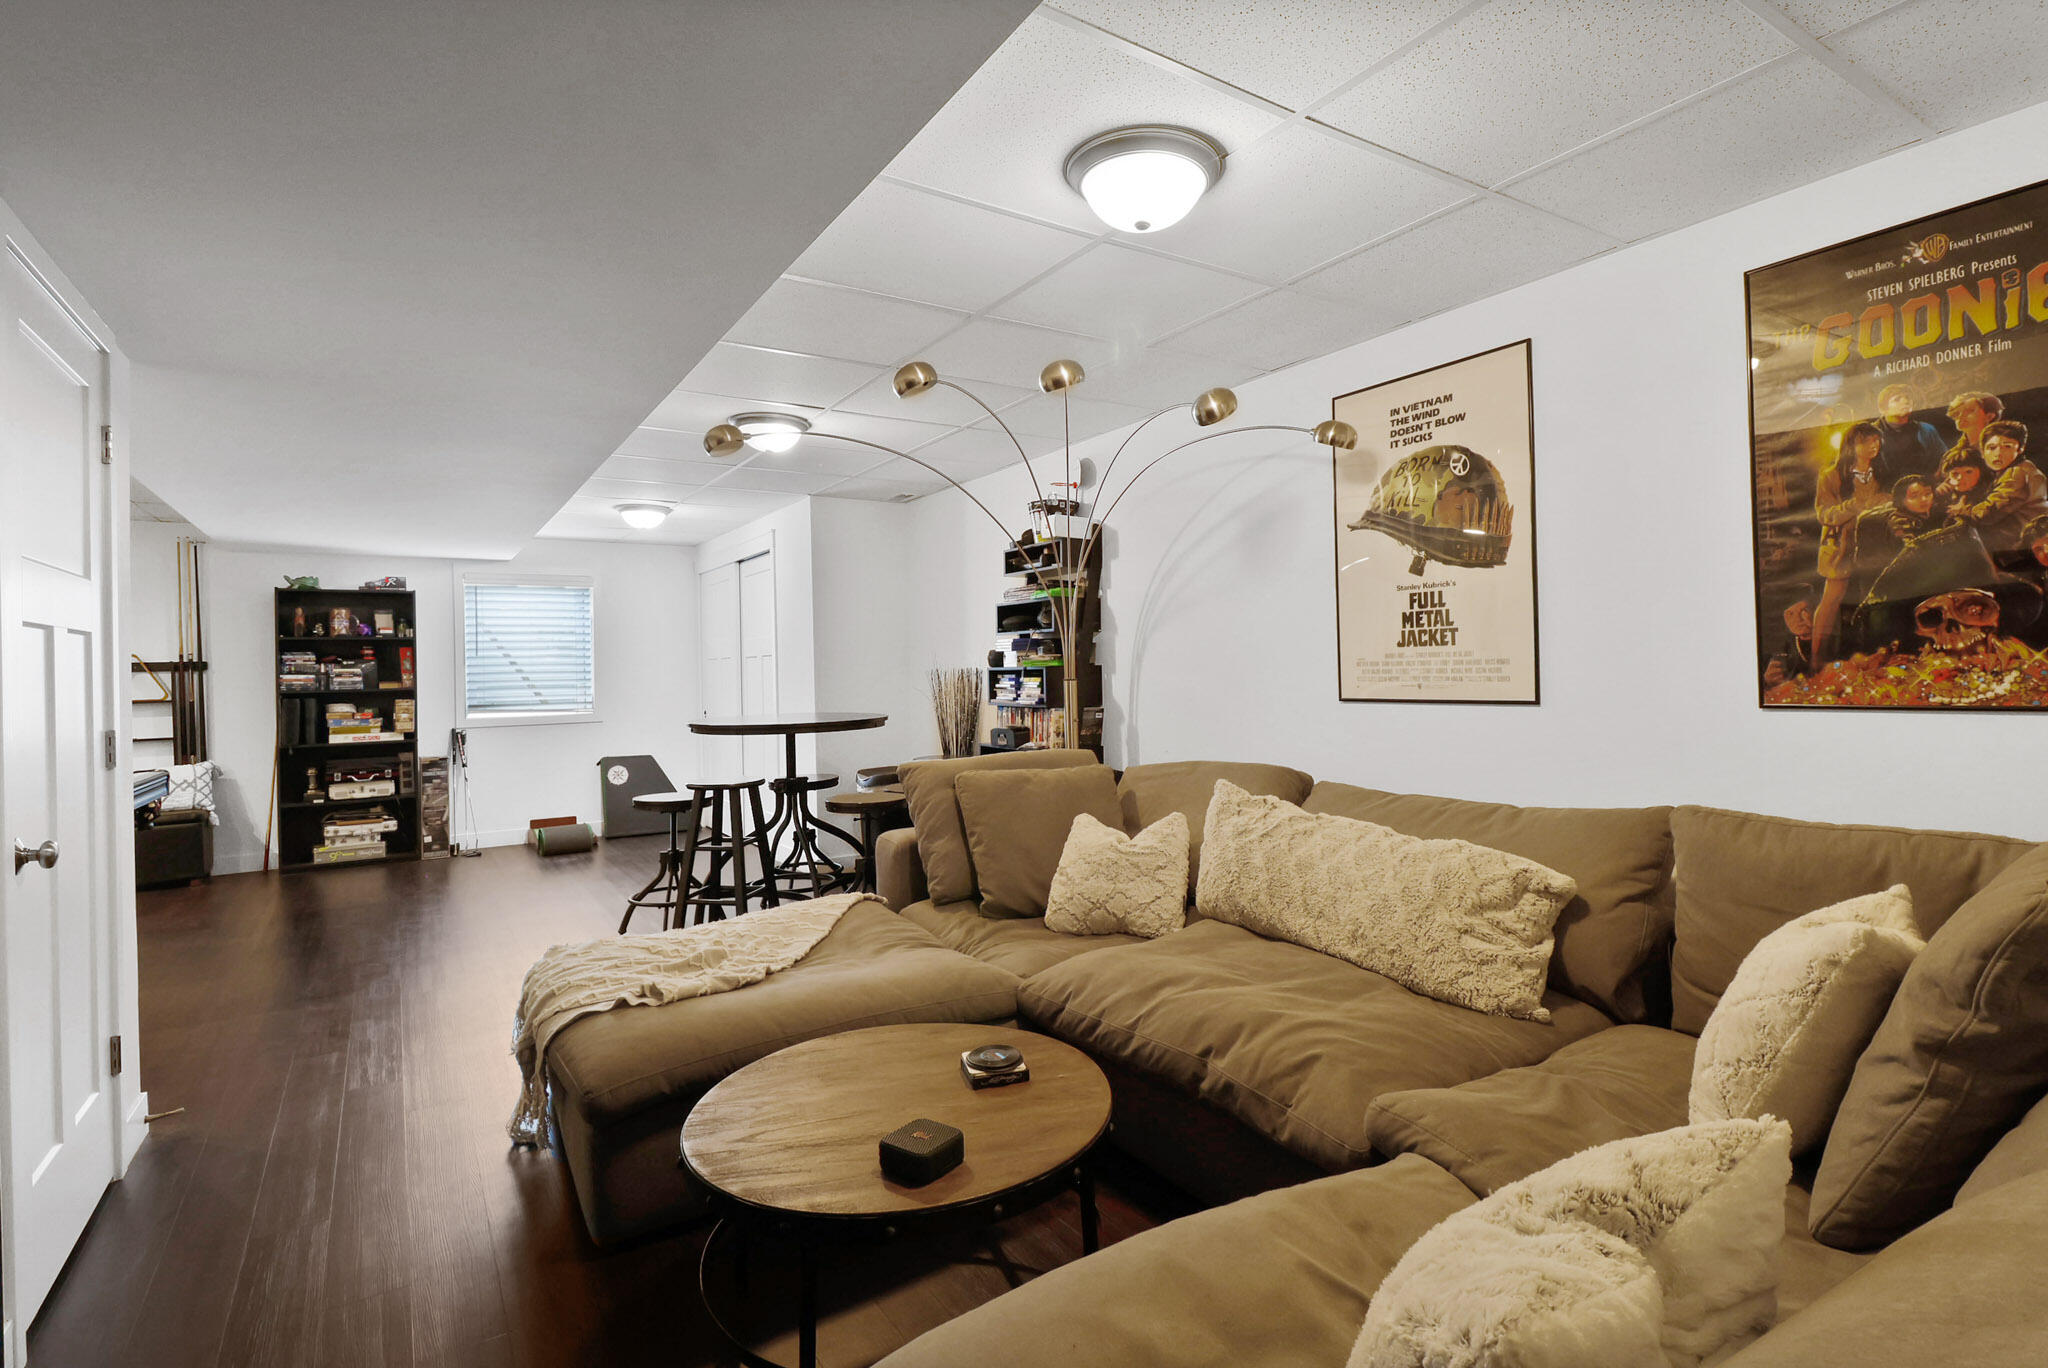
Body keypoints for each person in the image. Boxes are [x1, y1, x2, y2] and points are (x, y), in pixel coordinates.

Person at [1812, 422, 1890, 664]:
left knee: (1875, 601)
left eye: (1876, 441)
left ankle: (1876, 656)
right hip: (1840, 548)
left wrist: (1881, 502)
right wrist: (1857, 505)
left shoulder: (1882, 472)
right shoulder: (1831, 475)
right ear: (1851, 445)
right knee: (1831, 601)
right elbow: (1825, 514)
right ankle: (1817, 659)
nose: (1873, 446)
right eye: (1866, 442)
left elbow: (1890, 502)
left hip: (1875, 547)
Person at [1948, 419, 2048, 559]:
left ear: (2020, 449)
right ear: (1983, 452)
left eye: (2007, 447)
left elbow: (1988, 513)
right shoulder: (2015, 469)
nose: (1998, 453)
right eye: (1991, 447)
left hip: (2021, 549)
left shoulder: (2018, 473)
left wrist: (1963, 510)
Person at [1874, 383, 1946, 478]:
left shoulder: (1926, 429)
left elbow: (1945, 458)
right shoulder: (1871, 433)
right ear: (1883, 409)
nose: (1905, 401)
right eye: (1897, 399)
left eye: (1907, 398)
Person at [1936, 391, 2003, 480]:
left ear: (1989, 416)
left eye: (1969, 411)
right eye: (1956, 414)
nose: (1961, 416)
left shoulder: (2001, 448)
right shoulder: (1950, 455)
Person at [1888, 474, 1944, 544]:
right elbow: (1908, 544)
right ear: (1901, 501)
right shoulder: (1899, 520)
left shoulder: (1933, 510)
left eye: (1927, 494)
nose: (1924, 499)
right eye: (1914, 496)